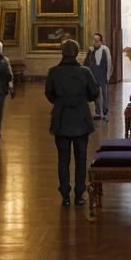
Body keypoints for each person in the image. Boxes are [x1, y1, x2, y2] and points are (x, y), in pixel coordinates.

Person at [45, 39, 99, 206]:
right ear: (76, 53)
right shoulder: (85, 71)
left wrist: (61, 102)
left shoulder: (54, 72)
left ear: (62, 52)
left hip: (61, 118)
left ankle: (65, 196)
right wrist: (82, 100)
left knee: (63, 158)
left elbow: (49, 94)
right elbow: (94, 93)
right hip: (81, 117)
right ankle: (79, 195)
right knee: (81, 158)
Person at [83, 32, 112, 121]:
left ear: (100, 41)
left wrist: (108, 76)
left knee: (104, 95)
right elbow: (86, 63)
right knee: (95, 95)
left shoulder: (105, 49)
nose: (95, 41)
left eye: (97, 40)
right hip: (93, 76)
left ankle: (105, 114)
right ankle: (98, 113)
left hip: (103, 76)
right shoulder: (91, 50)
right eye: (94, 39)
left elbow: (109, 63)